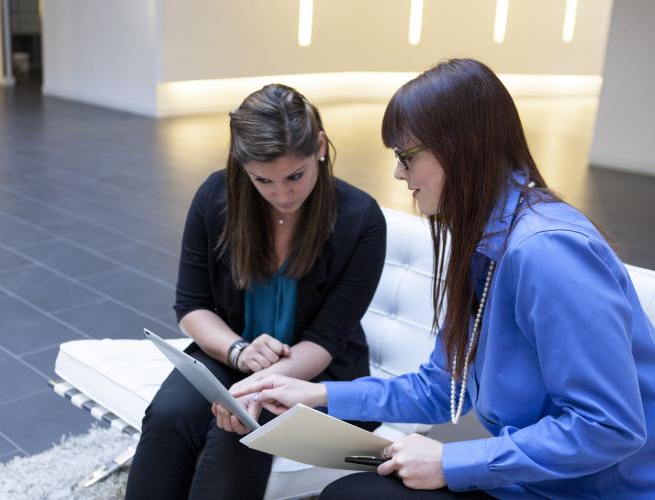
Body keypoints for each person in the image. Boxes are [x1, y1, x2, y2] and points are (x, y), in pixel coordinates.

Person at [229, 59, 655, 499]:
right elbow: (441, 387)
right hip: (530, 483)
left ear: (463, 147)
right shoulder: (487, 239)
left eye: (406, 157)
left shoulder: (545, 252)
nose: (399, 174)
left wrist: (451, 462)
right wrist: (317, 396)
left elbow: (610, 427)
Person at [124, 83, 387, 500]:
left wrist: (259, 385)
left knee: (246, 428)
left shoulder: (361, 219)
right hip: (231, 352)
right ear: (241, 164)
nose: (282, 195)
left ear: (319, 145)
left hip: (317, 372)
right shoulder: (216, 197)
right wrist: (240, 353)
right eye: (263, 180)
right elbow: (192, 307)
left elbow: (326, 341)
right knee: (170, 415)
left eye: (295, 176)